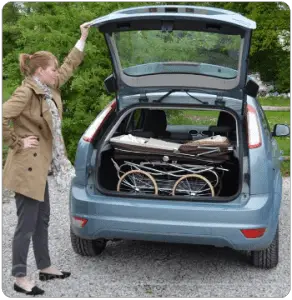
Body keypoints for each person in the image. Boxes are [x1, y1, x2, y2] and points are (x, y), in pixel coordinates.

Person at [2, 22, 91, 296]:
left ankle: (45, 267)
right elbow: (3, 114)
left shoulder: (48, 87)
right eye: (52, 69)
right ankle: (19, 277)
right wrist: (17, 142)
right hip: (27, 166)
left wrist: (83, 37)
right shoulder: (27, 91)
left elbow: (68, 65)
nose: (57, 73)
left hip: (41, 166)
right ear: (40, 71)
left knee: (42, 220)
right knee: (26, 225)